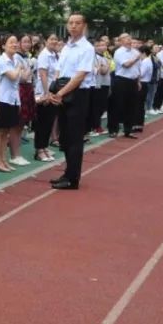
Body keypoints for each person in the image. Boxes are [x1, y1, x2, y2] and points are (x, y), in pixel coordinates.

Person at [48, 13, 95, 191]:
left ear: (84, 26)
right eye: (70, 23)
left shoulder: (87, 48)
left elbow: (80, 76)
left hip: (78, 95)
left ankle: (72, 178)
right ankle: (67, 172)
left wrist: (60, 93)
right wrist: (54, 92)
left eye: (77, 23)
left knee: (75, 138)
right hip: (63, 92)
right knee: (65, 137)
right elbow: (59, 71)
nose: (73, 26)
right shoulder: (66, 46)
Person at [0, 35, 24, 173]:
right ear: (3, 45)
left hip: (13, 99)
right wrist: (19, 68)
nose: (14, 44)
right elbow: (13, 76)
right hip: (2, 99)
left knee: (6, 131)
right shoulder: (2, 60)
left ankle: (4, 159)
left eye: (16, 42)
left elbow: (21, 79)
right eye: (11, 42)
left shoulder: (15, 59)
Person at [33, 35, 60, 161]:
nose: (54, 42)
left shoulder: (55, 55)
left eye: (56, 40)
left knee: (49, 121)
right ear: (46, 41)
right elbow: (43, 74)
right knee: (42, 122)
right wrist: (46, 93)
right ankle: (39, 150)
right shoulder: (44, 55)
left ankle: (44, 146)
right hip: (44, 92)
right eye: (51, 39)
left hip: (54, 92)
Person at [110, 34, 142, 139]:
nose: (129, 40)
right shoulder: (119, 52)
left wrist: (138, 81)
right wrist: (136, 58)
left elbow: (138, 68)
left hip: (133, 81)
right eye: (126, 38)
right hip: (121, 80)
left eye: (129, 37)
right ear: (121, 41)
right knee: (117, 105)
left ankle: (128, 130)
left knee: (131, 106)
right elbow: (126, 65)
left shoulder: (135, 51)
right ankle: (113, 130)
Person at [135, 45, 154, 132]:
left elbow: (141, 74)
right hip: (144, 83)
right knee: (139, 105)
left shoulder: (146, 61)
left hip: (142, 83)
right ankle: (138, 124)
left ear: (143, 53)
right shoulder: (147, 60)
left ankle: (138, 124)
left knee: (138, 105)